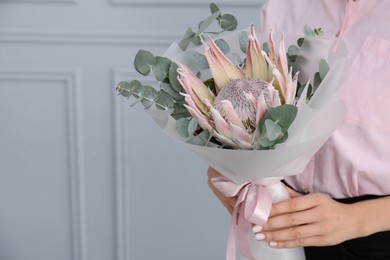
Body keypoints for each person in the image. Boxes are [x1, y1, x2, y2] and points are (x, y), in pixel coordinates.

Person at [207, 0, 390, 259]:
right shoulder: (283, 6)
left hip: (373, 235)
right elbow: (256, 104)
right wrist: (229, 172)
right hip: (277, 223)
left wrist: (356, 220)